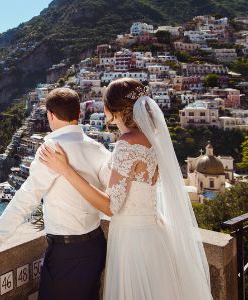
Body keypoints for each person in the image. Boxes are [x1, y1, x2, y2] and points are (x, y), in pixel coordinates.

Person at [38, 78, 212, 300]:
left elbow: (111, 206)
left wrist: (65, 169)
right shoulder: (152, 140)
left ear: (110, 109)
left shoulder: (127, 143)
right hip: (155, 235)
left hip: (132, 241)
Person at [0, 87, 111, 299]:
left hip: (67, 254)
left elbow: (26, 199)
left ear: (50, 115)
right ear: (78, 114)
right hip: (97, 246)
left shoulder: (51, 149)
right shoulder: (98, 148)